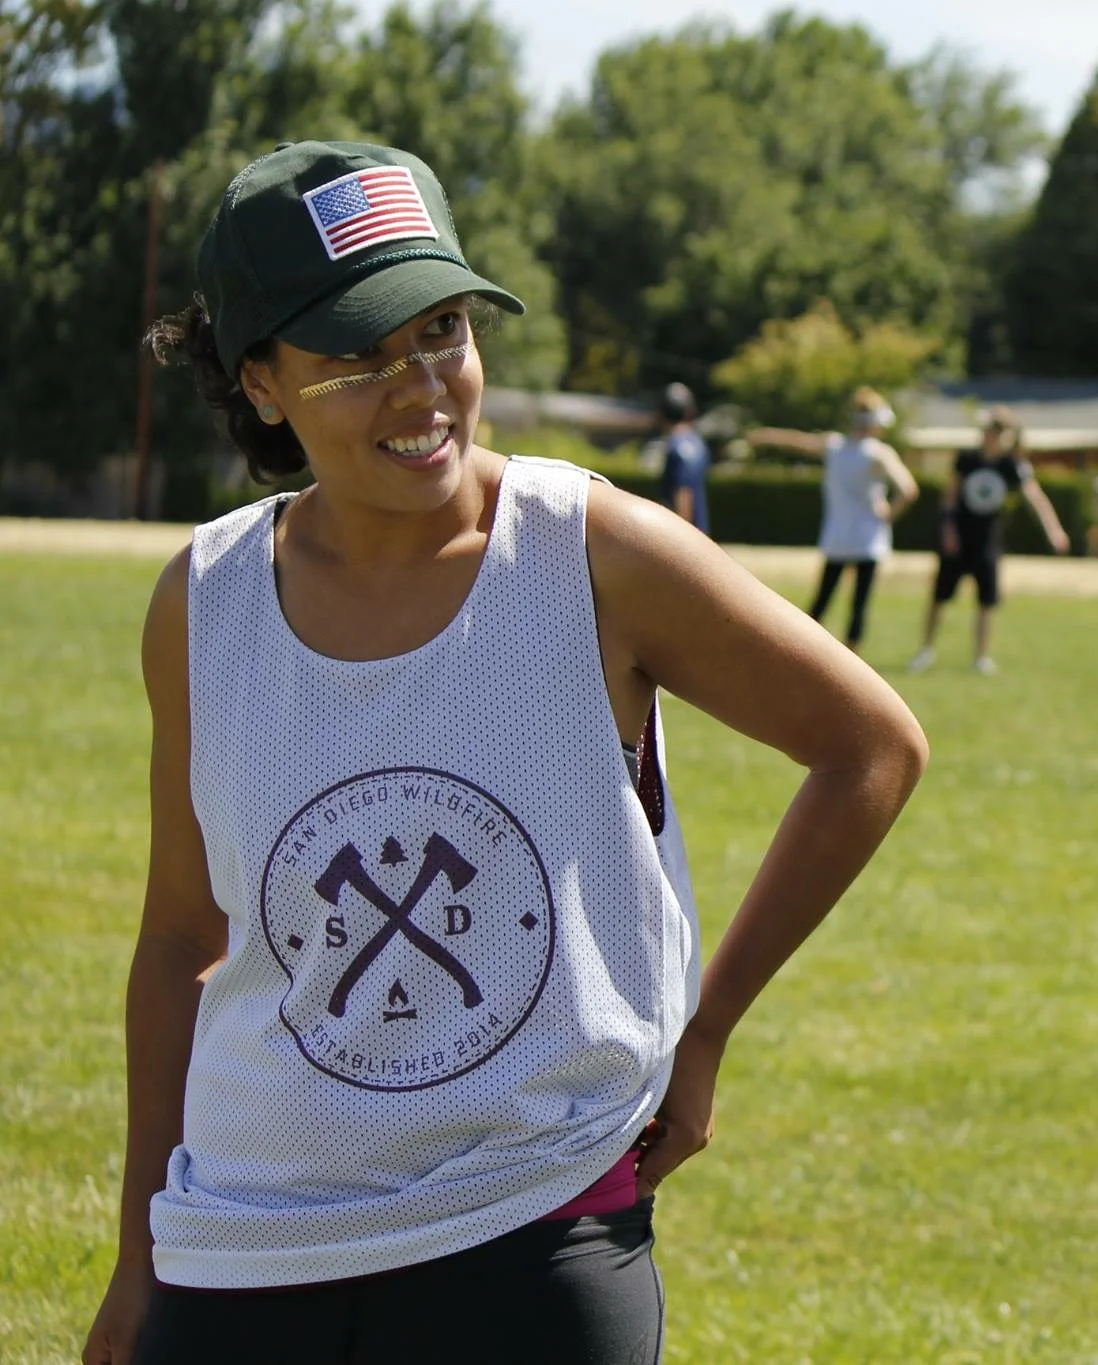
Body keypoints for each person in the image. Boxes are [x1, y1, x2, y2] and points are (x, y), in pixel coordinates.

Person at [83, 140, 927, 1365]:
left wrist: (704, 1029)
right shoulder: (201, 601)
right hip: (243, 1242)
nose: (420, 386)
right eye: (357, 357)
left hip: (533, 1227)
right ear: (260, 381)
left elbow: (870, 749)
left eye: (441, 331)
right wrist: (137, 1255)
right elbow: (177, 943)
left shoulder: (590, 553)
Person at [749, 389, 919, 654]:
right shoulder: (878, 453)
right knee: (858, 606)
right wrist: (888, 512)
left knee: (821, 602)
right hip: (867, 540)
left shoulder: (835, 446)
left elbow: (798, 442)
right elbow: (908, 489)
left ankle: (796, 650)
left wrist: (766, 435)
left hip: (837, 538)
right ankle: (853, 658)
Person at [908, 406, 1070, 675]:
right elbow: (950, 496)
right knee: (939, 596)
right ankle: (925, 650)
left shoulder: (1012, 466)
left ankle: (981, 657)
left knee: (986, 601)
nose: (993, 438)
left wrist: (1054, 530)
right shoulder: (967, 459)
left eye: (999, 433)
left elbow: (1035, 498)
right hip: (959, 538)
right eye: (990, 432)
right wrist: (948, 531)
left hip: (987, 540)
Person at [657, 382, 711, 534]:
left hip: (684, 535)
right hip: (701, 532)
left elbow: (682, 492)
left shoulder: (675, 447)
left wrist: (682, 535)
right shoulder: (699, 445)